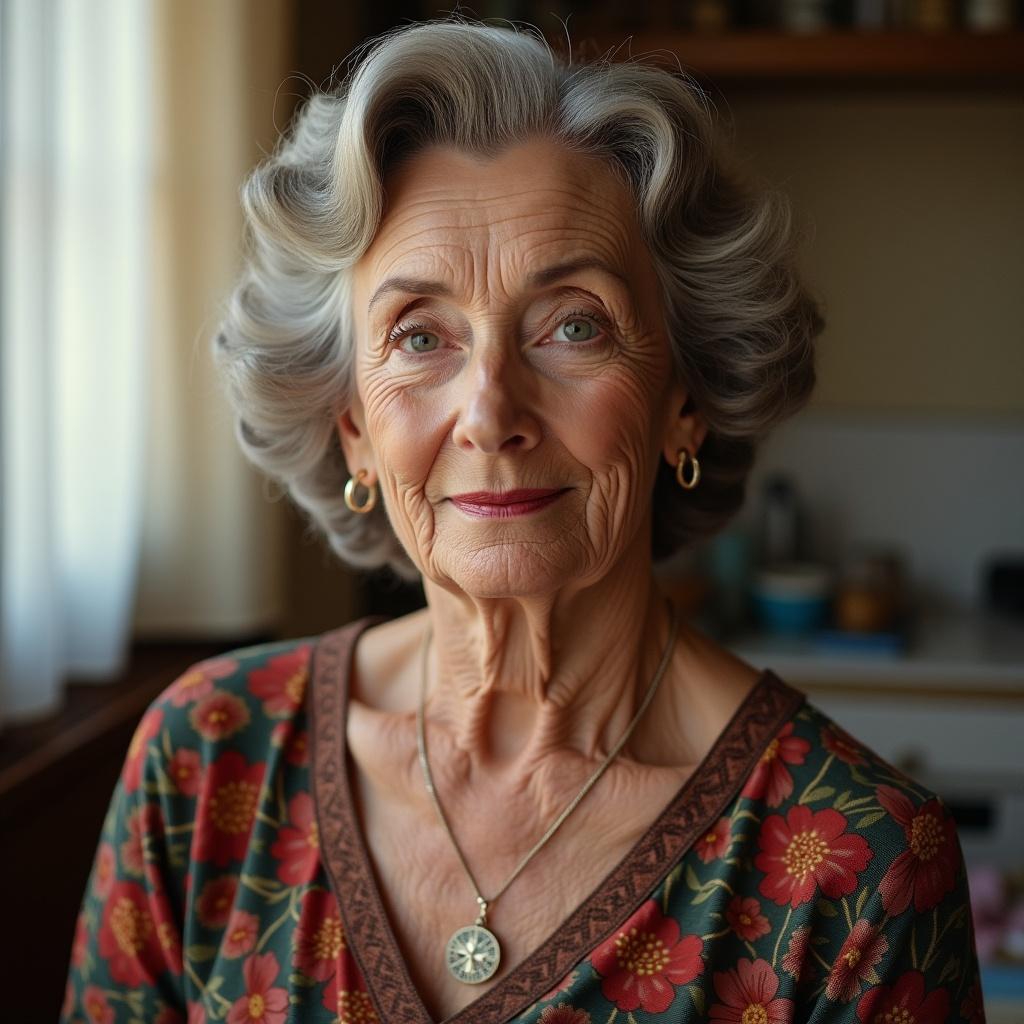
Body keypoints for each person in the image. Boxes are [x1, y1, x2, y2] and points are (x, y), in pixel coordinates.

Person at [61, 15, 986, 1024]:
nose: (491, 412)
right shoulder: (208, 756)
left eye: (573, 323)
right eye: (420, 336)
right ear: (354, 427)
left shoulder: (862, 869)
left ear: (683, 394)